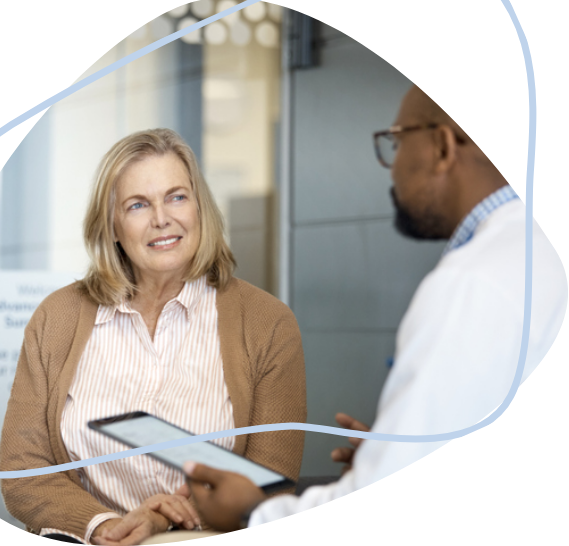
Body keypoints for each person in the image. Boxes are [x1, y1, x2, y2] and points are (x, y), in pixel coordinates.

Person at [181, 85, 567, 531]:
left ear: (441, 147)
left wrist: (253, 512)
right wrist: (388, 454)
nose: (391, 168)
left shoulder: (469, 282)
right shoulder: (529, 253)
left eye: (397, 142)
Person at [0, 128, 307, 545]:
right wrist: (106, 524)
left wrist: (164, 519)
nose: (162, 218)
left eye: (177, 196)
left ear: (201, 208)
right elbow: (22, 470)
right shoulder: (57, 317)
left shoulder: (267, 323)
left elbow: (273, 481)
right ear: (112, 225)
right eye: (138, 204)